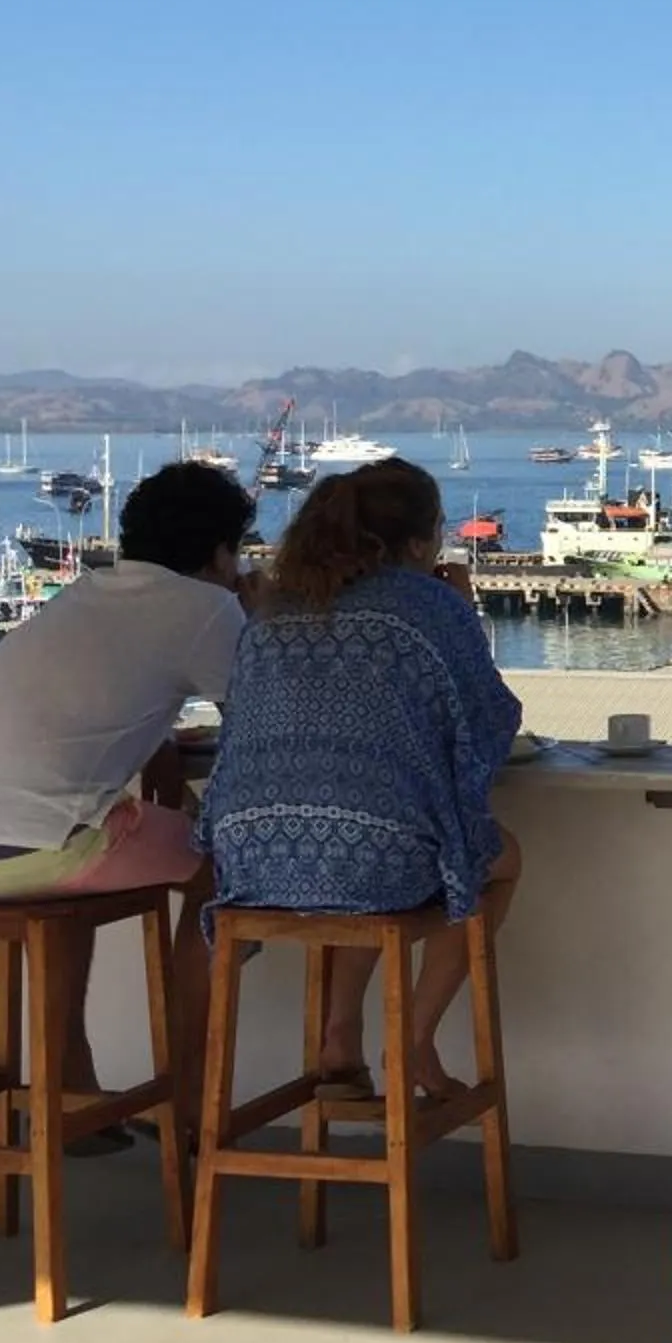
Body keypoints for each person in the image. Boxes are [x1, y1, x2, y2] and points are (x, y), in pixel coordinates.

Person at [0, 460, 255, 1141]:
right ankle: (186, 1102)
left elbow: (117, 721)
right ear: (221, 552)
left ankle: (73, 1089)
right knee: (227, 876)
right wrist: (255, 617)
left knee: (88, 865)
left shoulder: (82, 597)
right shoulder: (207, 608)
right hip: (37, 848)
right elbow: (266, 724)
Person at [197, 458, 521, 1103]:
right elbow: (491, 722)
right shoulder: (430, 602)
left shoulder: (277, 605)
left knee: (370, 852)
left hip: (248, 864)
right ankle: (414, 1042)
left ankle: (340, 1043)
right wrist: (461, 615)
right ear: (424, 541)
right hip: (375, 859)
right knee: (488, 859)